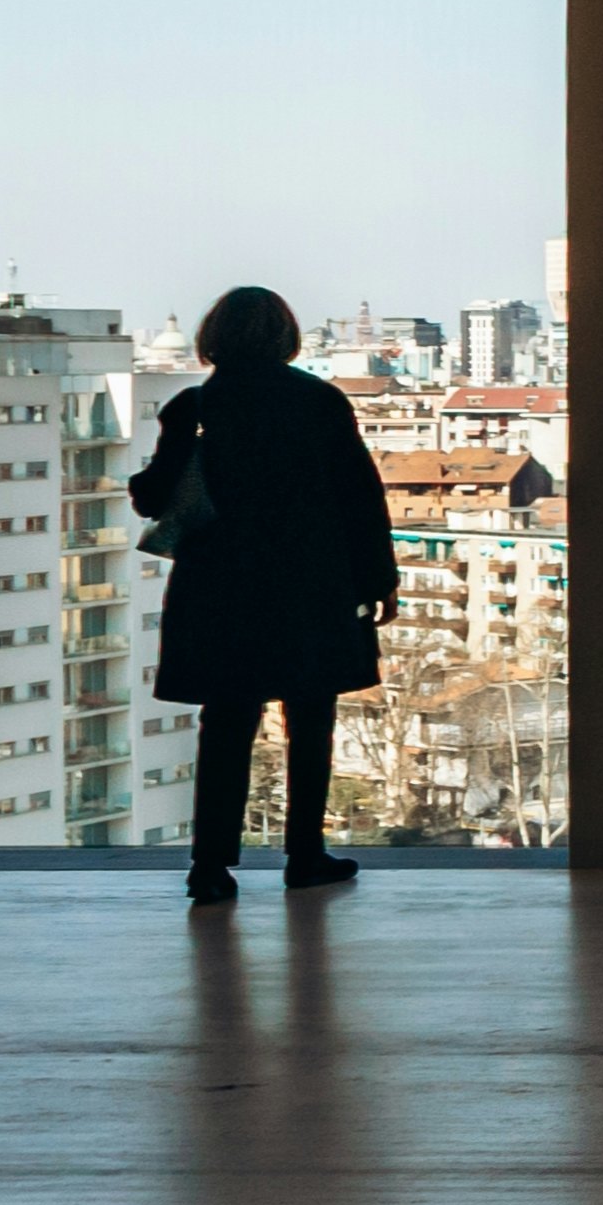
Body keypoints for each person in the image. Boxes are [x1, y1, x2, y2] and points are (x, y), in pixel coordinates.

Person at [133, 286, 399, 907]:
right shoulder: (318, 401)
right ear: (284, 336)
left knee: (226, 723)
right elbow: (361, 497)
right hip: (309, 582)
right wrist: (378, 579)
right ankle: (304, 854)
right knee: (310, 718)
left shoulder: (195, 405)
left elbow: (152, 499)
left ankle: (210, 867)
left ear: (213, 336)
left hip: (221, 586)